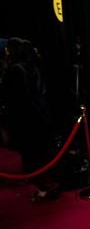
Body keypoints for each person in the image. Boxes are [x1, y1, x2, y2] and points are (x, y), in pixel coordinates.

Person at [2, 37, 59, 200]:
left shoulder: (15, 70)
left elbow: (14, 99)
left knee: (31, 154)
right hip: (41, 115)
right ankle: (47, 184)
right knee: (41, 153)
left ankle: (43, 187)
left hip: (25, 120)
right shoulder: (36, 67)